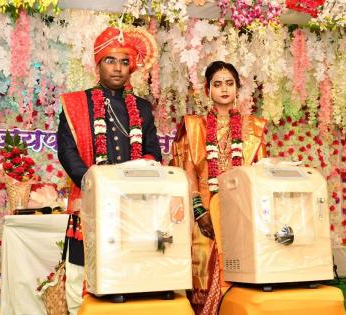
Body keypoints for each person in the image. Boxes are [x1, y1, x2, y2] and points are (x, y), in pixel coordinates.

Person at [57, 26, 162, 314]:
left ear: (132, 67)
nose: (118, 68)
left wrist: (137, 177)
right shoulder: (77, 103)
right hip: (90, 200)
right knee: (80, 270)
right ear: (98, 63)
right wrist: (94, 183)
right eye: (110, 60)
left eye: (124, 62)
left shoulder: (142, 107)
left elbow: (154, 151)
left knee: (133, 267)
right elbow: (66, 151)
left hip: (133, 204)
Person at [171, 61, 267, 315]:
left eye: (229, 83)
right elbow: (186, 171)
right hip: (201, 215)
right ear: (207, 90)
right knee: (200, 271)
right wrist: (200, 211)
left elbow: (259, 177)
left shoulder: (253, 129)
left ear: (237, 88)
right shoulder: (193, 127)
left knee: (241, 271)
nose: (224, 89)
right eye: (217, 84)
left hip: (240, 215)